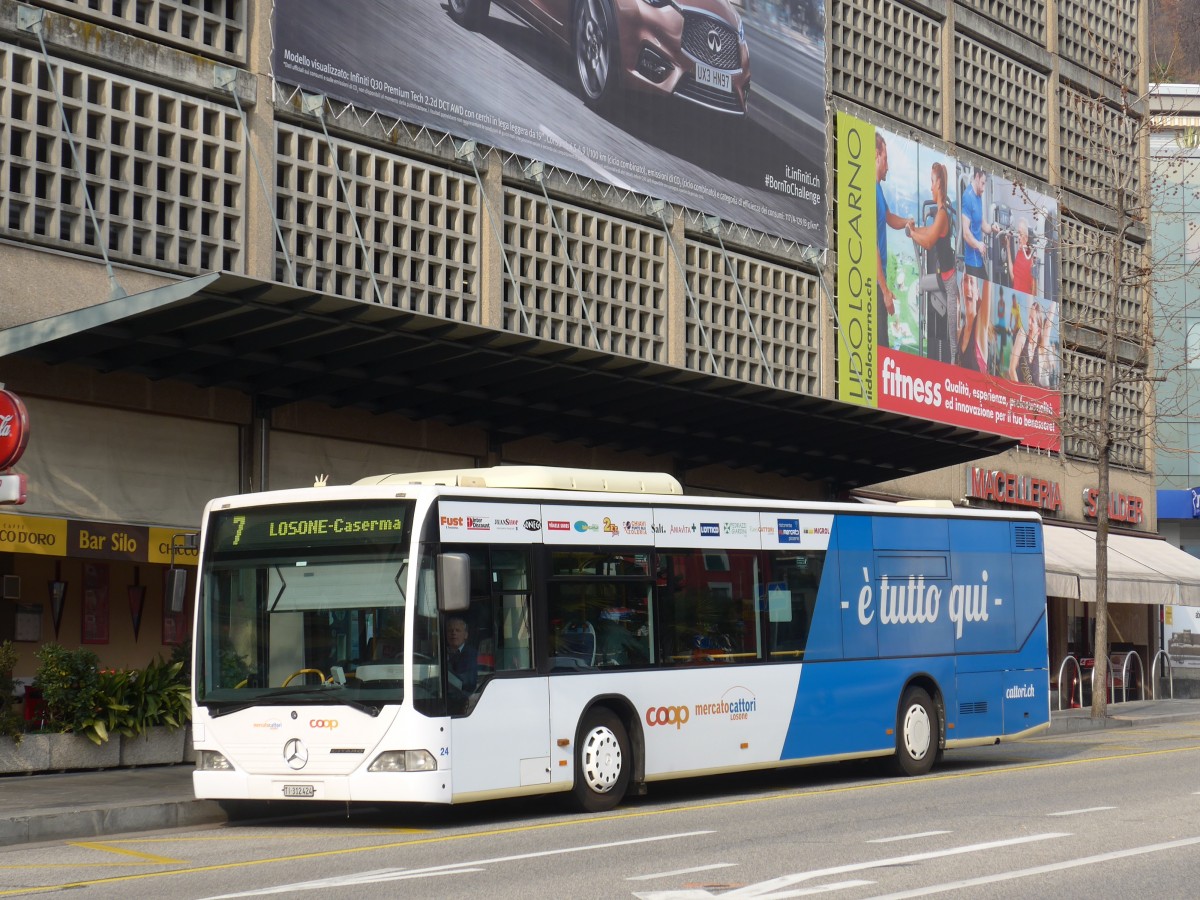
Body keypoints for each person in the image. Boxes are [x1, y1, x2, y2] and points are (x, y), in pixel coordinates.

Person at [906, 161, 958, 364]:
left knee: (953, 336)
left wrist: (912, 233)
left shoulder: (943, 214)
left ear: (938, 185)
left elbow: (928, 243)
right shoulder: (940, 214)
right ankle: (923, 344)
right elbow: (927, 232)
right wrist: (914, 228)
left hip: (950, 281)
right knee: (921, 285)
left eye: (931, 182)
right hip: (940, 278)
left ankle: (954, 366)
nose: (930, 187)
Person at [876, 133, 915, 349]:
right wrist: (885, 292)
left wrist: (906, 223)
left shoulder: (878, 190)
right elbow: (872, 246)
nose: (888, 166)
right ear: (877, 155)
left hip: (878, 281)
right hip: (873, 284)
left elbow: (889, 217)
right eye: (886, 158)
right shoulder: (869, 191)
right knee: (881, 345)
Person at [445, 615, 478, 694]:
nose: (453, 633)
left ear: (465, 635)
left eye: (458, 630)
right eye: (450, 630)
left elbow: (469, 681)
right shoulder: (439, 652)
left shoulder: (472, 654)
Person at [1010, 219, 1035, 295]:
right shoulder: (1019, 253)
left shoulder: (1031, 258)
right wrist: (1008, 248)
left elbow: (1033, 288)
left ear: (1027, 238)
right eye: (1018, 234)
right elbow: (1013, 278)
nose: (1018, 237)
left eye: (1020, 234)